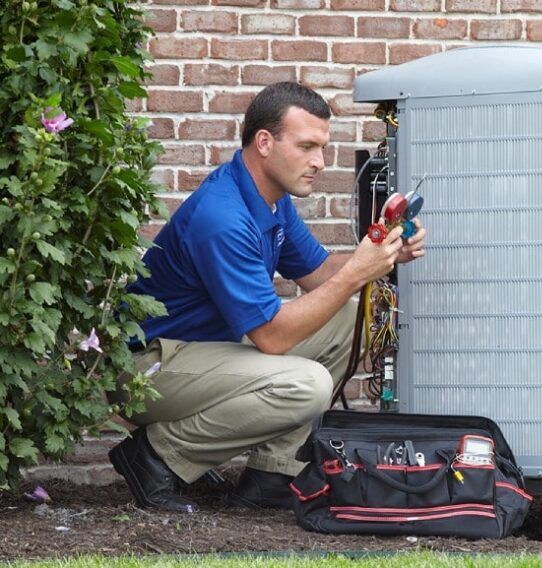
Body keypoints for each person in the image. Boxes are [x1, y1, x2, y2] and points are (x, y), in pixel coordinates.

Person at [107, 82, 426, 513]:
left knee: (355, 317)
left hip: (202, 352)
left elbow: (318, 276)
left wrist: (385, 255)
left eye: (323, 148)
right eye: (307, 146)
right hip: (147, 370)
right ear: (264, 142)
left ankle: (271, 476)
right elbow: (272, 338)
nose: (319, 162)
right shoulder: (223, 216)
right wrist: (356, 272)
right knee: (305, 384)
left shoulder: (270, 200)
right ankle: (156, 457)